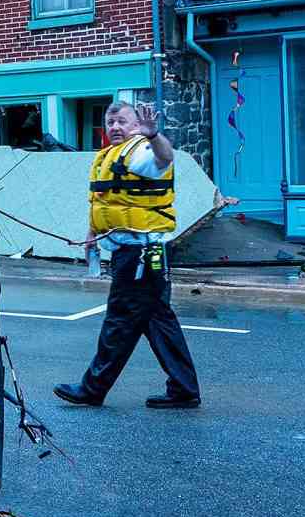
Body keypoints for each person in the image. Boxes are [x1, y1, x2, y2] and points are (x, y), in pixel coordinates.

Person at [55, 100, 203, 411]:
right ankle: (184, 388)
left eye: (122, 122)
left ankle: (92, 388)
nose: (115, 128)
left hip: (139, 254)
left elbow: (164, 158)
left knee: (120, 321)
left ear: (137, 125)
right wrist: (91, 236)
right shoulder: (111, 155)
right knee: (157, 321)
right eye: (111, 123)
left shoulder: (141, 151)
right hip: (138, 252)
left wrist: (154, 135)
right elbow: (107, 202)